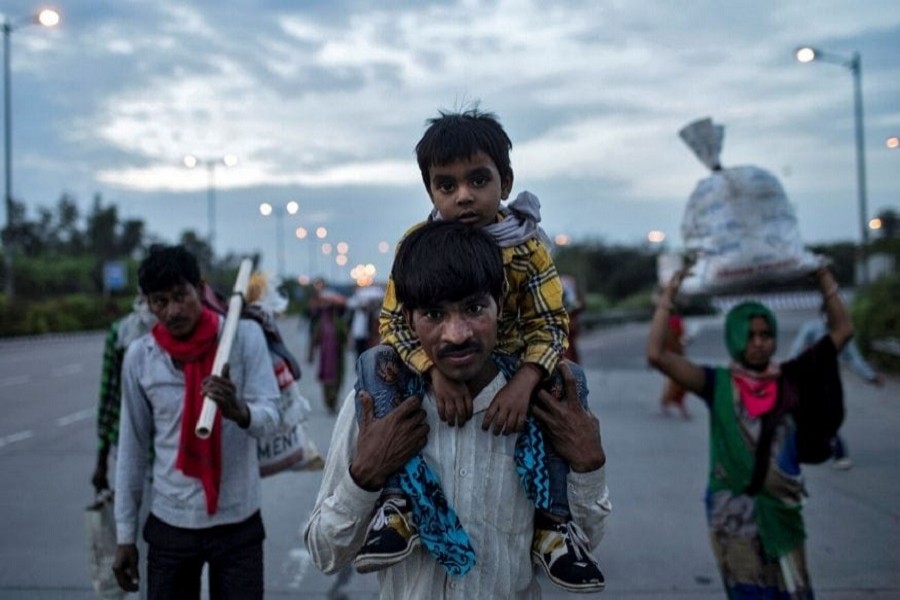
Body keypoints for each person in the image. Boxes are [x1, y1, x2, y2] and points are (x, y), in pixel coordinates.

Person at [304, 220, 611, 598]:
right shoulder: (378, 407)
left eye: (474, 308)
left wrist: (589, 464)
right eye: (434, 315)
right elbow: (324, 552)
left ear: (500, 303)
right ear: (407, 318)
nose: (457, 334)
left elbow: (587, 540)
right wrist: (366, 474)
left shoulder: (542, 407)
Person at [365, 107, 604, 590]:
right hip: (434, 363)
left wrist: (524, 381)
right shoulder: (419, 245)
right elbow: (393, 321)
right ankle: (396, 506)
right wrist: (432, 373)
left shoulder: (527, 246)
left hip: (512, 370)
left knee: (572, 379)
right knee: (375, 362)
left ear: (506, 181)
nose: (465, 196)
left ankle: (555, 526)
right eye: (446, 186)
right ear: (430, 191)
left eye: (479, 180)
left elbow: (551, 323)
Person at [646, 265, 853, 598]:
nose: (758, 343)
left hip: (782, 511)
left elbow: (842, 331)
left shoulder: (791, 376)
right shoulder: (717, 384)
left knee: (795, 591)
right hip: (732, 516)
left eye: (765, 335)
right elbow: (656, 355)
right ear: (735, 338)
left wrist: (825, 280)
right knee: (749, 592)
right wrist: (668, 298)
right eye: (750, 335)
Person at [112, 245, 281, 599]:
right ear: (147, 304)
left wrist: (239, 410)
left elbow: (271, 418)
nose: (173, 311)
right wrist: (125, 535)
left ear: (200, 288)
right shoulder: (140, 357)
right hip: (171, 523)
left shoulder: (244, 337)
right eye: (160, 302)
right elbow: (132, 449)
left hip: (238, 522)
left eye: (180, 296)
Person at [788, 303, 884, 470]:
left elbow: (853, 359)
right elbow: (796, 350)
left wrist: (870, 377)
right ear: (823, 314)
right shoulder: (811, 329)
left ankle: (835, 450)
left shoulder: (842, 335)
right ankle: (833, 451)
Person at [92, 297, 156, 494]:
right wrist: (101, 461)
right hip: (132, 447)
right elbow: (109, 396)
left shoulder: (184, 329)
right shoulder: (122, 332)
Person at [306, 278, 348, 414]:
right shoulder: (321, 323)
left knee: (337, 379)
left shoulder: (338, 322)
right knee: (328, 379)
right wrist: (311, 354)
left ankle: (333, 401)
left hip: (337, 356)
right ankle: (329, 402)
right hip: (326, 356)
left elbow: (344, 338)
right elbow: (314, 340)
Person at [659, 311, 691, 419]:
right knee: (678, 382)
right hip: (672, 357)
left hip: (677, 356)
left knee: (680, 383)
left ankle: (670, 403)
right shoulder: (671, 323)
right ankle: (670, 403)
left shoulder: (669, 322)